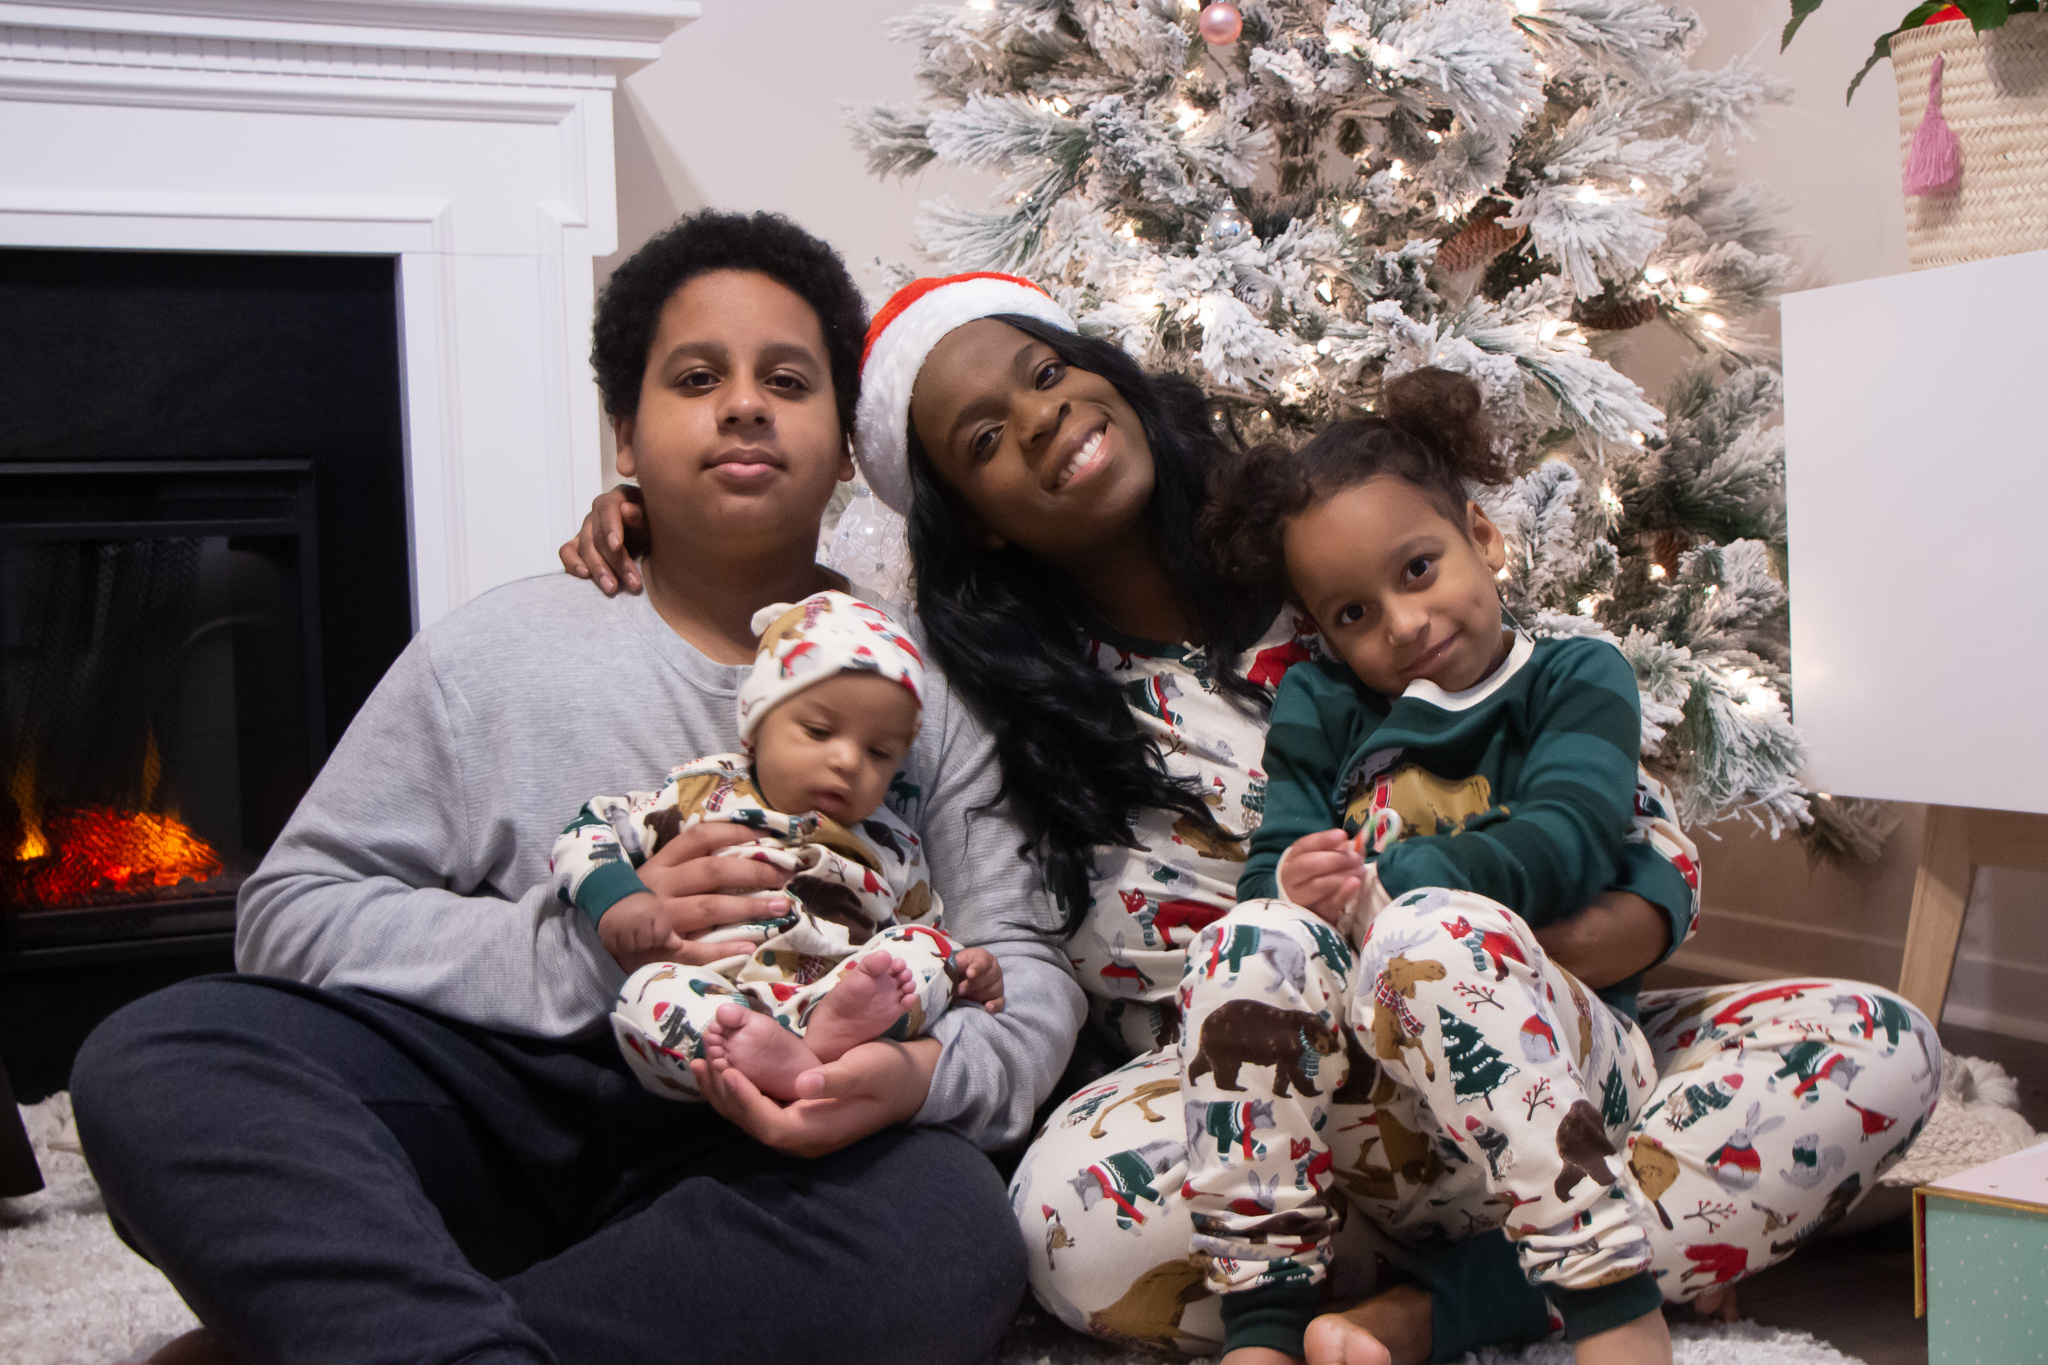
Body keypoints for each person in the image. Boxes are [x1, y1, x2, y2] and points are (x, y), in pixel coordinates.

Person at [562, 272, 1943, 1364]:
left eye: (1047, 372)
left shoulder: (1331, 550)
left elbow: (1625, 820)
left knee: (1871, 1045)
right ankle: (1583, 1253)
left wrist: (1513, 964)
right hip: (1260, 1113)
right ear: (968, 516)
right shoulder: (981, 700)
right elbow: (821, 683)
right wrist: (648, 519)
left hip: (1526, 1031)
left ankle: (1445, 1308)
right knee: (1062, 1232)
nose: (1040, 417)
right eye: (985, 435)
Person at [68, 214, 1082, 1365]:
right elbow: (292, 909)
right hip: (506, 1099)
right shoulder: (491, 653)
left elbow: (1026, 970)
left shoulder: (931, 686)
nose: (743, 404)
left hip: (788, 1141)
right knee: (162, 1055)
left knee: (946, 1243)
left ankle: (371, 1336)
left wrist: (917, 1077)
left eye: (786, 380)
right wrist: (587, 942)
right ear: (624, 435)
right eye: (696, 377)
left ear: (844, 445)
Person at [1176, 369, 1691, 1365]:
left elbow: (1571, 841)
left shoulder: (1570, 676)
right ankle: (1266, 1320)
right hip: (1377, 1100)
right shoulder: (1323, 709)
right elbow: (1267, 871)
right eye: (1352, 616)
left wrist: (1398, 881)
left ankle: (1608, 1306)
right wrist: (1294, 890)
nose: (1400, 625)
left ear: (1480, 538)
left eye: (1415, 570)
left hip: (1566, 1064)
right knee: (1245, 944)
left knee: (1436, 934)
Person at [553, 587, 1004, 1103]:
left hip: (840, 995)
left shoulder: (894, 840)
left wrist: (965, 967)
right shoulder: (700, 790)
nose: (848, 762)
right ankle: (768, 1060)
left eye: (879, 752)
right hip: (717, 994)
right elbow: (588, 828)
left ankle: (822, 1040)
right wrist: (617, 898)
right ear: (755, 726)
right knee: (645, 995)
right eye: (818, 730)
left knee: (922, 952)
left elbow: (922, 924)